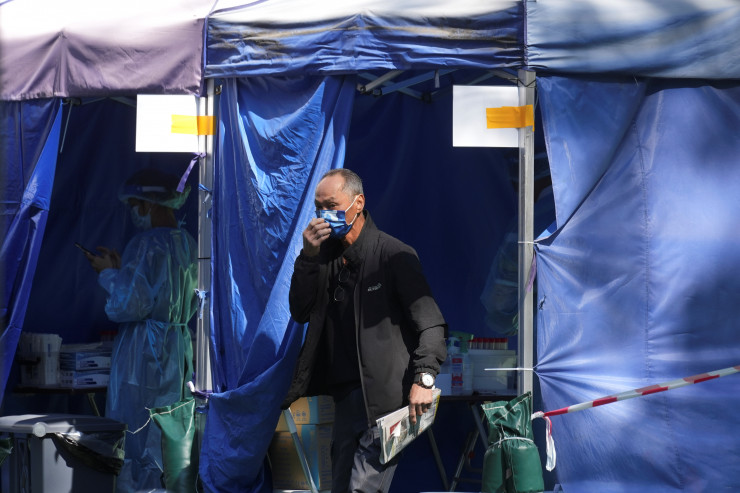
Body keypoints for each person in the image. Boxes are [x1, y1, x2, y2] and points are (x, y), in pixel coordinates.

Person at [282, 168, 447, 493]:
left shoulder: (393, 254)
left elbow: (431, 323)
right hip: (345, 400)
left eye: (331, 205)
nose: (324, 215)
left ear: (358, 203)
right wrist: (308, 257)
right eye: (318, 207)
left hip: (388, 401)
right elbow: (300, 311)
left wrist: (424, 378)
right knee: (341, 487)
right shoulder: (324, 257)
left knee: (363, 488)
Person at [85, 169, 198, 492]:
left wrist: (108, 274)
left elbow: (129, 304)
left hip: (143, 352)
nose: (134, 213)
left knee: (136, 428)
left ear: (151, 203)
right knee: (170, 425)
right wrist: (124, 272)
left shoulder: (145, 244)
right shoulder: (189, 244)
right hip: (177, 346)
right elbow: (160, 291)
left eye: (136, 205)